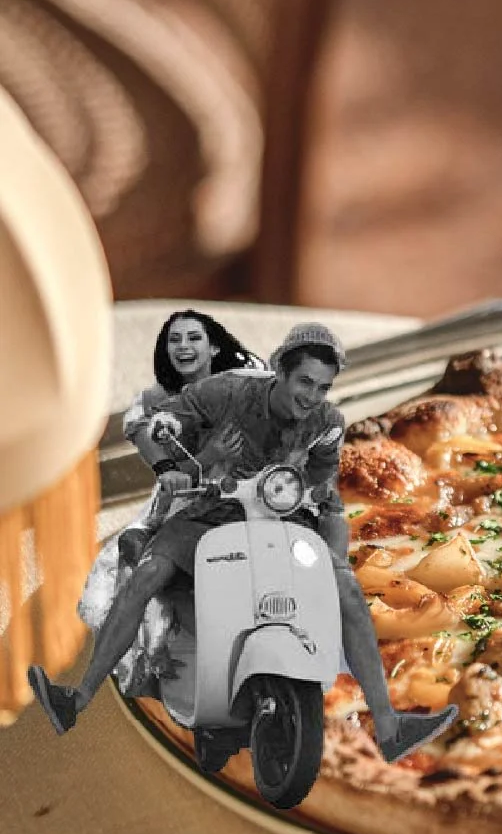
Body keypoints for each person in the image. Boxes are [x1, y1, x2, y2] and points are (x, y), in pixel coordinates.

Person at [29, 323, 455, 765]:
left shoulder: (328, 422)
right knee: (148, 575)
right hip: (207, 514)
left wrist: (321, 517)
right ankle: (76, 698)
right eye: (305, 382)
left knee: (346, 589)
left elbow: (326, 484)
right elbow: (174, 416)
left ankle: (388, 726)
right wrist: (174, 446)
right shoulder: (227, 392)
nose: (312, 396)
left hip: (283, 521)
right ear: (278, 371)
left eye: (323, 387)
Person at [78, 312, 266, 689]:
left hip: (252, 502)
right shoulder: (156, 404)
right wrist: (208, 457)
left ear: (213, 345)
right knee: (149, 567)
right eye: (174, 340)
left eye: (193, 338)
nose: (183, 347)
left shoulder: (246, 386)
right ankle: (145, 660)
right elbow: (170, 477)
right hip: (188, 506)